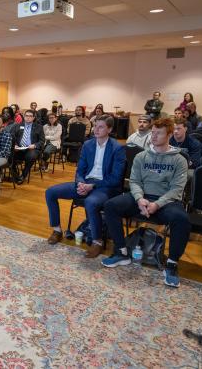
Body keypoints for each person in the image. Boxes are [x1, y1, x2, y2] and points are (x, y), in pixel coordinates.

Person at [102, 118, 190, 288]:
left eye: (159, 133)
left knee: (182, 219)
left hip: (166, 201)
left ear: (170, 135)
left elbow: (177, 189)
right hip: (141, 197)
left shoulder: (179, 160)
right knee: (111, 205)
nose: (154, 136)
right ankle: (121, 252)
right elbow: (134, 181)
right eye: (153, 132)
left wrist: (157, 204)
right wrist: (139, 199)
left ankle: (171, 263)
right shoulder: (142, 156)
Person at [45, 115, 125, 257]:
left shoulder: (117, 148)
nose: (96, 129)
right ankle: (57, 230)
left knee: (90, 202)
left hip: (105, 187)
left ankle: (97, 241)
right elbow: (80, 170)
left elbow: (115, 179)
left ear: (110, 129)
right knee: (50, 192)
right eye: (95, 126)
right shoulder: (88, 144)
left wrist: (91, 186)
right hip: (85, 183)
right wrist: (81, 182)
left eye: (101, 127)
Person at [14, 109, 45, 184]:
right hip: (19, 148)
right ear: (24, 116)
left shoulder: (39, 127)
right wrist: (15, 145)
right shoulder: (18, 126)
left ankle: (23, 175)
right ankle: (15, 175)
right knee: (9, 155)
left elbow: (42, 141)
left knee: (30, 156)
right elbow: (13, 137)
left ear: (34, 118)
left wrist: (34, 145)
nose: (28, 118)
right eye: (26, 116)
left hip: (32, 149)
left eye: (30, 116)